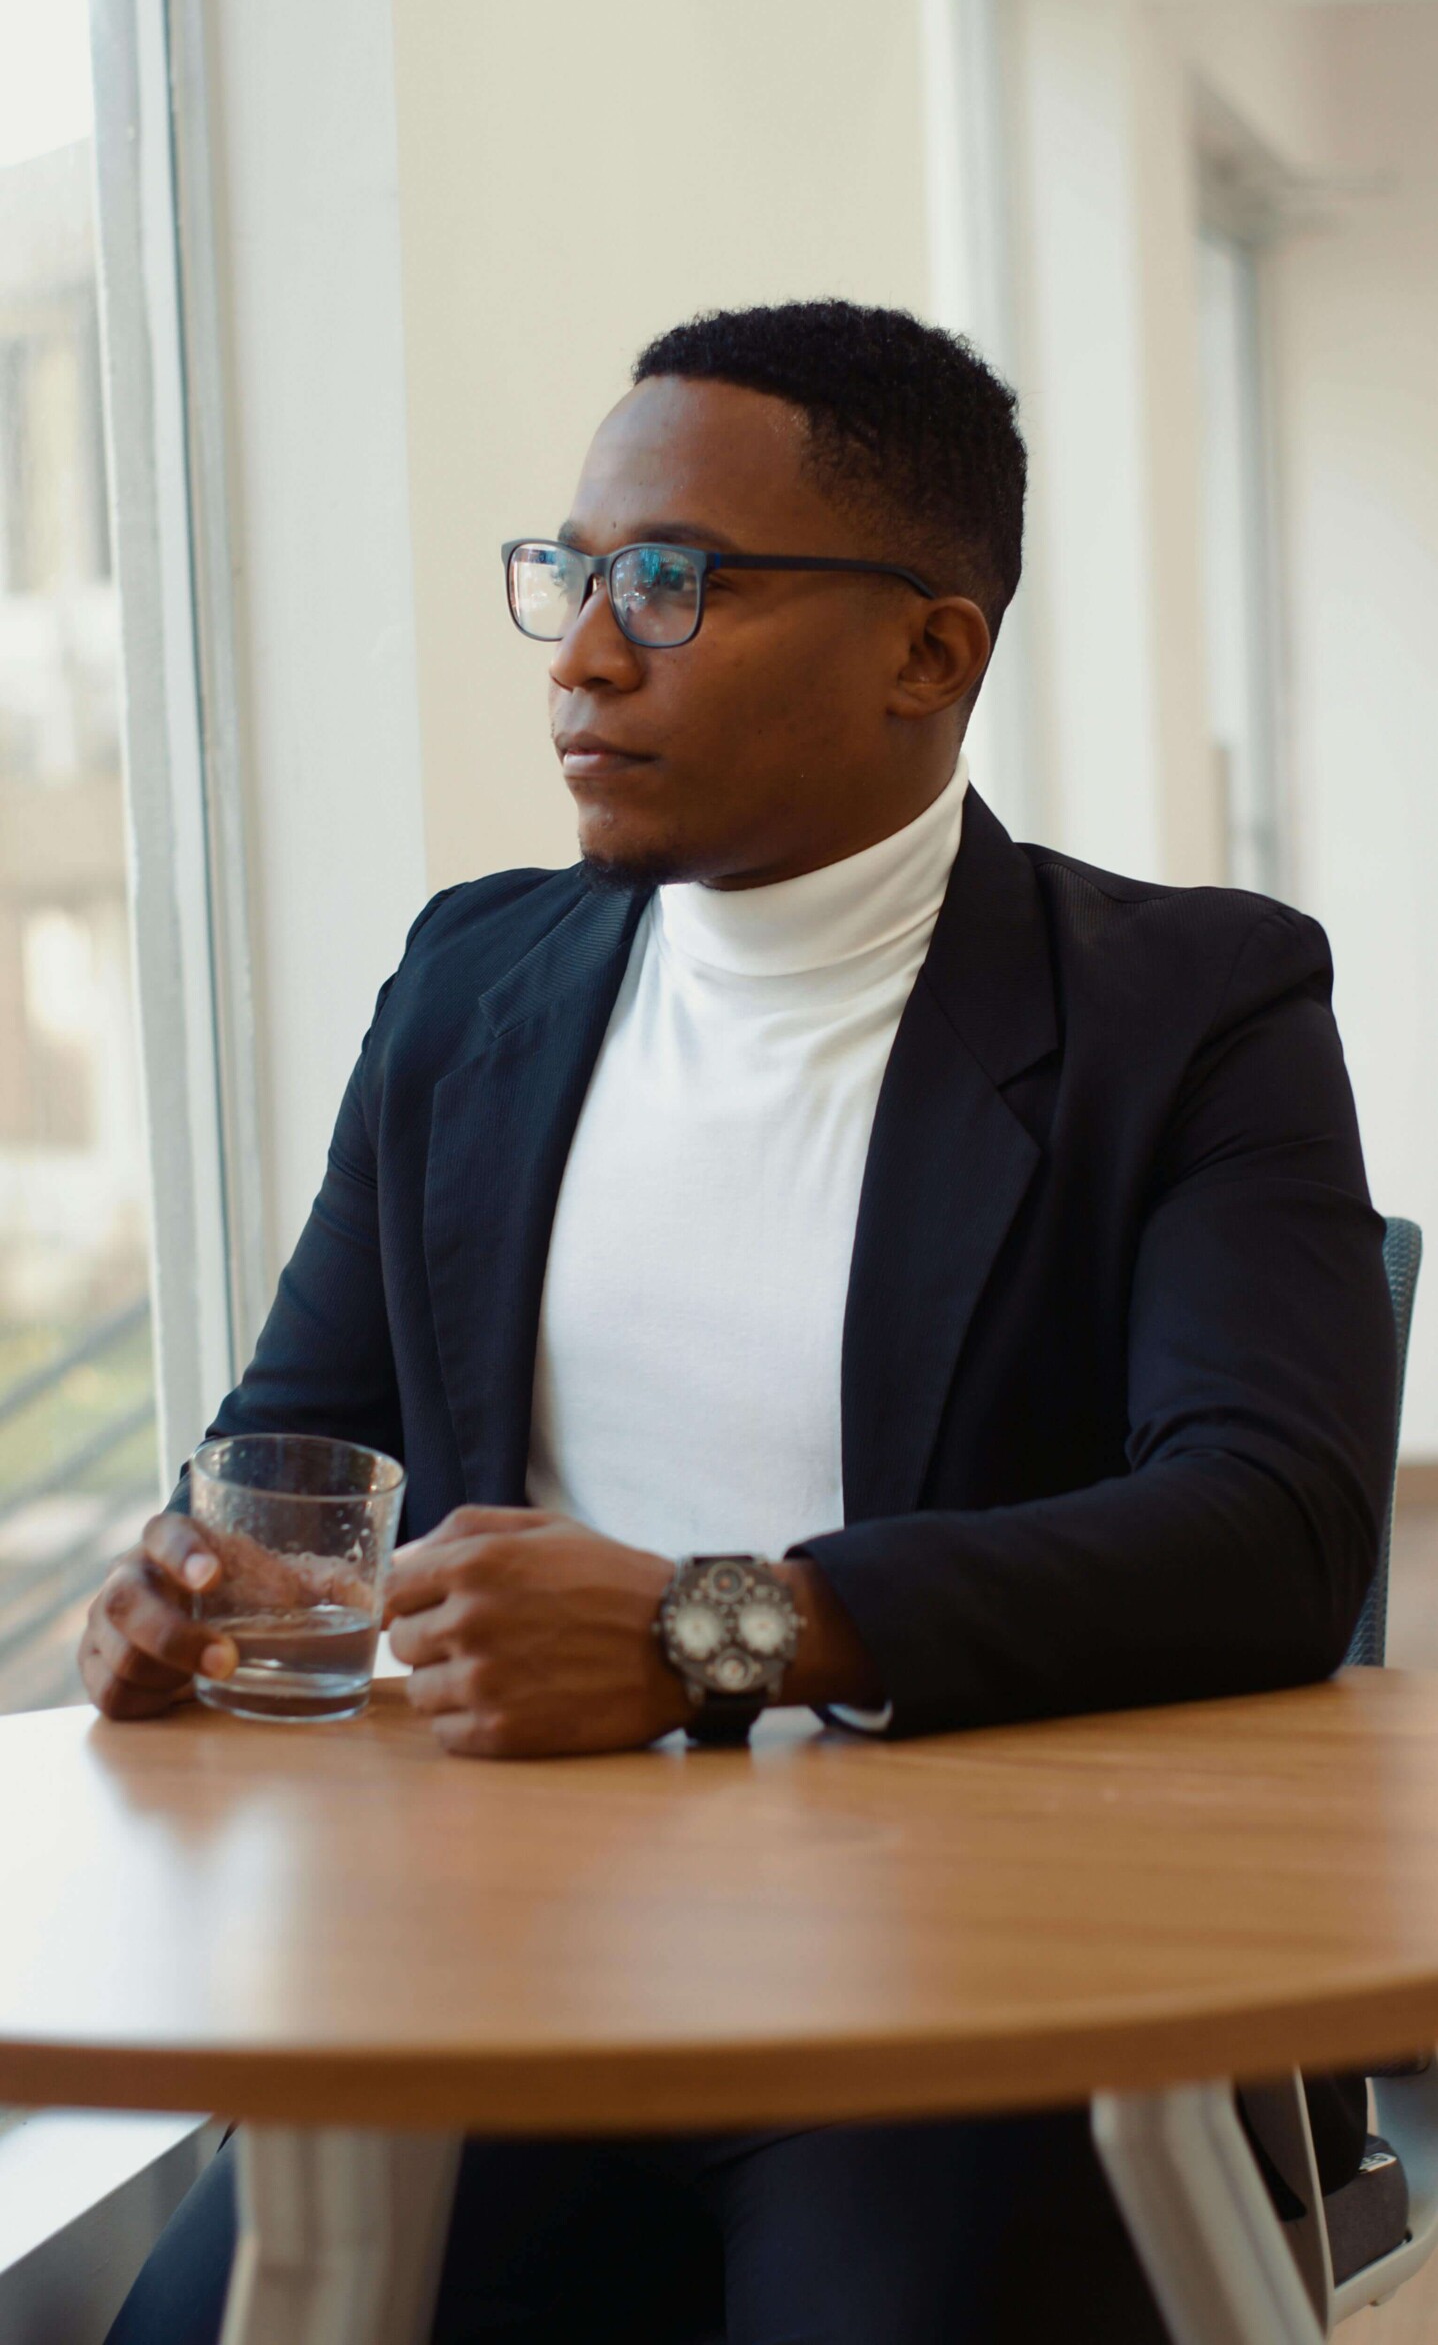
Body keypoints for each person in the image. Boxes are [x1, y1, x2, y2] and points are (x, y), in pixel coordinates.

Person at [86, 301, 1394, 2344]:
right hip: (506, 1954)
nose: (585, 654)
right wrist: (205, 1582)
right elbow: (299, 1444)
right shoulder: (468, 986)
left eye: (673, 586)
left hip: (973, 1981)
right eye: (576, 573)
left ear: (926, 649)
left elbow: (1265, 1527)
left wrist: (717, 1623)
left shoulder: (1191, 1009)